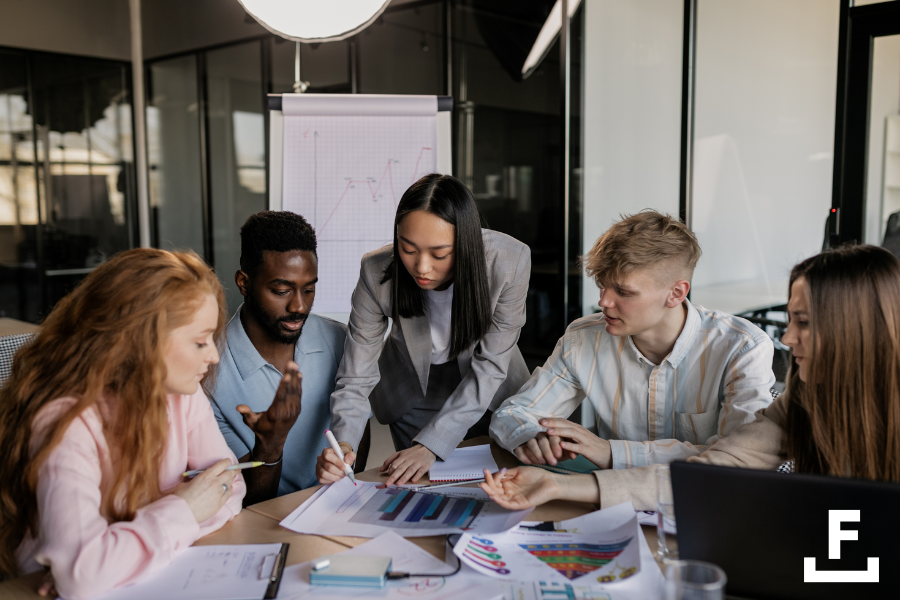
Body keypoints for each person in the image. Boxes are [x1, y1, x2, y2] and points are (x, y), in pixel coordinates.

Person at [481, 244, 900, 511]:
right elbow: (715, 473)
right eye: (791, 320)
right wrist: (555, 486)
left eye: (804, 322)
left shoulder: (742, 346)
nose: (788, 339)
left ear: (856, 328)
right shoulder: (803, 399)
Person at [0, 249, 246, 599]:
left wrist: (117, 552)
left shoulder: (182, 395)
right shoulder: (66, 420)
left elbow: (229, 487)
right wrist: (186, 509)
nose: (214, 355)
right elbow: (83, 575)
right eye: (199, 341)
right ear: (141, 342)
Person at [490, 210, 775, 470]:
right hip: (610, 503)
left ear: (676, 293)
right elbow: (514, 412)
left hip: (706, 504)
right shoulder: (583, 339)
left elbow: (739, 460)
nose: (603, 301)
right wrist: (530, 436)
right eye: (602, 286)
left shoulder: (742, 348)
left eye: (623, 292)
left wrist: (612, 452)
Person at [317, 173, 532, 487]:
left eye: (439, 254)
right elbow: (356, 373)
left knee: (496, 486)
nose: (422, 267)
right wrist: (344, 443)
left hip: (489, 388)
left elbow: (490, 366)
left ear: (466, 244)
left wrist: (434, 443)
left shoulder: (509, 262)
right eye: (408, 249)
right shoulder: (376, 270)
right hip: (412, 390)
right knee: (422, 488)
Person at [210, 211, 347, 503]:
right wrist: (270, 445)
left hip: (334, 507)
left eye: (309, 289)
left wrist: (344, 465)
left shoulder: (340, 340)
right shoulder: (208, 369)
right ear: (244, 283)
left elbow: (355, 428)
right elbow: (247, 498)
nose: (299, 306)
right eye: (281, 290)